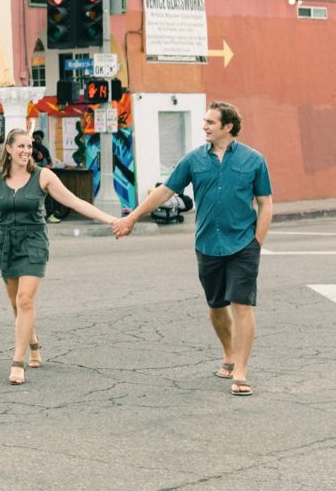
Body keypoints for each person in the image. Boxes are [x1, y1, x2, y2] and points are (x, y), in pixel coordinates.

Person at [113, 102, 273, 397]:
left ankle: (241, 370)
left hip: (242, 244)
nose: (205, 126)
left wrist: (257, 242)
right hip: (208, 243)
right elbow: (165, 191)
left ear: (228, 127)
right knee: (216, 307)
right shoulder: (194, 160)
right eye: (204, 121)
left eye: (211, 122)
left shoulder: (254, 160)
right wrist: (132, 217)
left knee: (242, 304)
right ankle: (229, 354)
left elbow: (265, 203)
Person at [0, 127, 119, 384]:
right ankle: (32, 341)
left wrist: (110, 220)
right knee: (15, 303)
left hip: (33, 241)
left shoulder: (43, 176)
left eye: (29, 147)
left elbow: (75, 202)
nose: (26, 151)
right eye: (21, 146)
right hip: (6, 243)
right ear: (8, 149)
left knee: (25, 300)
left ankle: (17, 362)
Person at [31, 130, 63, 223]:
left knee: (47, 194)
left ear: (42, 138)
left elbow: (50, 163)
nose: (37, 139)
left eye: (39, 137)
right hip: (31, 174)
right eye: (35, 137)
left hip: (41, 174)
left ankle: (50, 214)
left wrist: (47, 167)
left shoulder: (45, 149)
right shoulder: (30, 147)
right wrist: (36, 152)